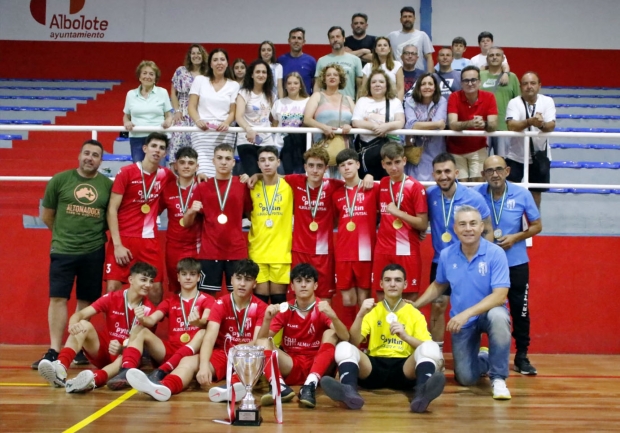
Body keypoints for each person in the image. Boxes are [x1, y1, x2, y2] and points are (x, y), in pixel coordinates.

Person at [126, 260, 266, 402]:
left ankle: (232, 388)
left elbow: (256, 341)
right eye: (239, 278)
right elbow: (210, 337)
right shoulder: (221, 304)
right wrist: (204, 366)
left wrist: (244, 349)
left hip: (246, 354)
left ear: (254, 283)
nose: (242, 284)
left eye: (247, 280)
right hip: (222, 353)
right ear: (232, 280)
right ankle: (164, 387)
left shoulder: (261, 307)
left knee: (254, 354)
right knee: (188, 361)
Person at [414, 205, 512, 400]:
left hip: (487, 314)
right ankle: (484, 359)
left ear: (481, 226)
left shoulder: (496, 253)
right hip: (463, 323)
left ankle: (499, 378)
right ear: (455, 228)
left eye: (473, 224)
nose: (468, 228)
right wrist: (415, 305)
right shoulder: (446, 255)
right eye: (463, 224)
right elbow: (439, 285)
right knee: (466, 378)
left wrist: (467, 313)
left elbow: (500, 295)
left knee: (500, 317)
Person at [31, 140, 113, 370]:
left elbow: (110, 217)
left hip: (94, 250)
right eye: (86, 153)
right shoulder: (59, 180)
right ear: (79, 156)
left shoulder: (107, 185)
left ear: (100, 160)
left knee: (86, 301)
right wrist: (63, 236)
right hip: (63, 250)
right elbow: (47, 215)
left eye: (95, 155)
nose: (90, 158)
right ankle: (54, 351)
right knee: (58, 298)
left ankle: (74, 348)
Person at [320, 264, 445, 413]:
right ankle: (348, 391)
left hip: (403, 369)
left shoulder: (414, 313)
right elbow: (353, 342)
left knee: (432, 347)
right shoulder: (372, 310)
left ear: (405, 284)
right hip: (374, 368)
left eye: (397, 280)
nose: (392, 284)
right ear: (381, 284)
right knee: (343, 347)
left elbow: (426, 346)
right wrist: (360, 314)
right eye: (388, 280)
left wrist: (405, 336)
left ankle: (423, 393)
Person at [38, 262, 156, 392]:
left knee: (125, 357)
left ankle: (93, 380)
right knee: (83, 325)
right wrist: (73, 325)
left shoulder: (149, 309)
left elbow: (139, 344)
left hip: (125, 355)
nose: (148, 285)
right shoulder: (112, 297)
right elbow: (81, 314)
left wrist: (121, 348)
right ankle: (60, 369)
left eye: (151, 281)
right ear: (131, 279)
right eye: (143, 280)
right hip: (104, 349)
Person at [475, 155, 543, 374]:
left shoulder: (522, 194)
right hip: (485, 264)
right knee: (481, 308)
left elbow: (537, 225)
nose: (494, 174)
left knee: (519, 311)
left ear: (507, 171)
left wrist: (515, 238)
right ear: (483, 174)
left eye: (498, 169)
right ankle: (478, 354)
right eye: (489, 171)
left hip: (516, 263)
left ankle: (522, 355)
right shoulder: (476, 195)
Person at [104, 258, 214, 391]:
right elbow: (151, 320)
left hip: (192, 354)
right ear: (178, 277)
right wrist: (142, 318)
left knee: (203, 332)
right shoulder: (169, 301)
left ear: (198, 277)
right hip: (169, 352)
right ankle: (127, 371)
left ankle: (162, 372)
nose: (188, 278)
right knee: (141, 329)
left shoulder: (208, 299)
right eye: (184, 274)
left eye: (192, 274)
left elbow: (206, 321)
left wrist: (197, 322)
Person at [426, 152, 493, 355]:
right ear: (433, 175)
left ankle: (478, 351)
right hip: (441, 260)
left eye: (447, 171)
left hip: (468, 260)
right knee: (437, 305)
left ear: (456, 172)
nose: (443, 176)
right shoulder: (430, 195)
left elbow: (488, 229)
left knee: (473, 307)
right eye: (438, 172)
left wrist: (481, 258)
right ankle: (435, 355)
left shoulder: (473, 198)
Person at [257, 263, 350, 408]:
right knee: (262, 343)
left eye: (308, 281)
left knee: (331, 333)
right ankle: (279, 386)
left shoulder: (322, 307)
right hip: (291, 364)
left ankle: (309, 385)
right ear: (292, 287)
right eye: (299, 281)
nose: (303, 285)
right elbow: (261, 339)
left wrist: (334, 317)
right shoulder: (285, 308)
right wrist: (267, 320)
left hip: (318, 365)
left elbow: (345, 337)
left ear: (315, 285)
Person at [105, 132, 176, 304]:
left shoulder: (166, 175)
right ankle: (115, 331)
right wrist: (117, 245)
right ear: (144, 148)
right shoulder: (126, 172)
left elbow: (183, 186)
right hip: (123, 239)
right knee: (113, 288)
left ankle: (148, 329)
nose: (157, 151)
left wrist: (200, 177)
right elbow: (112, 209)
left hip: (148, 240)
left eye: (161, 148)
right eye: (153, 146)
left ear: (165, 153)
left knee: (155, 289)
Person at [183, 143, 252, 293]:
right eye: (219, 158)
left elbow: (251, 214)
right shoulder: (202, 186)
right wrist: (190, 212)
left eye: (228, 158)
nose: (223, 162)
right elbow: (187, 223)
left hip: (236, 251)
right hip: (210, 251)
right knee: (206, 298)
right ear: (213, 161)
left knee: (238, 297)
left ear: (233, 162)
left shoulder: (242, 185)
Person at [373, 143, 428, 301]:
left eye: (397, 162)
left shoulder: (415, 187)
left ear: (404, 160)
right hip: (383, 250)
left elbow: (423, 224)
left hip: (407, 249)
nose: (394, 167)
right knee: (381, 298)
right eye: (389, 163)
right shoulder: (382, 183)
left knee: (409, 301)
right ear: (383, 164)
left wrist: (399, 213)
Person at [332, 149, 379, 309]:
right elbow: (336, 220)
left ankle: (363, 335)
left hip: (365, 251)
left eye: (350, 163)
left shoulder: (373, 188)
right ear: (338, 169)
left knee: (364, 301)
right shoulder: (336, 193)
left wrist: (370, 174)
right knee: (348, 301)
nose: (346, 168)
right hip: (344, 252)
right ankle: (350, 334)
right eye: (342, 165)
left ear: (358, 164)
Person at [247, 146, 293, 305]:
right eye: (263, 160)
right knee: (260, 299)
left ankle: (280, 332)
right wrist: (257, 176)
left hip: (281, 253)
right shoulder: (252, 187)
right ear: (258, 164)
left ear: (278, 162)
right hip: (257, 251)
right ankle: (260, 331)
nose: (267, 164)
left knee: (279, 300)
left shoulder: (289, 185)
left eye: (271, 160)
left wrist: (258, 175)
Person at [505, 72, 556, 209]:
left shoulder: (547, 101)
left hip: (540, 156)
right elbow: (511, 126)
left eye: (533, 83)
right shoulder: (514, 102)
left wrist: (540, 124)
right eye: (525, 83)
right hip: (516, 156)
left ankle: (533, 225)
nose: (529, 86)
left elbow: (551, 126)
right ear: (521, 86)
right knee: (510, 192)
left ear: (539, 86)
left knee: (536, 195)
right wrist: (530, 122)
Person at [188, 48, 239, 178]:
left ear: (227, 63)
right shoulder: (200, 80)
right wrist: (198, 120)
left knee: (223, 172)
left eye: (222, 59)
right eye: (215, 60)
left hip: (224, 133)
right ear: (210, 64)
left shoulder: (234, 85)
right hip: (202, 132)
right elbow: (191, 106)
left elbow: (233, 111)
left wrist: (227, 123)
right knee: (202, 174)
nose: (219, 63)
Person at [159, 147, 201, 293]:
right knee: (177, 290)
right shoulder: (167, 188)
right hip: (174, 247)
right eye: (182, 162)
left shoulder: (204, 187)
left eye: (190, 163)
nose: (186, 166)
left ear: (197, 166)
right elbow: (154, 212)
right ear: (175, 165)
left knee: (198, 291)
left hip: (197, 246)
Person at [447, 65, 498, 182]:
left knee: (478, 186)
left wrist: (484, 124)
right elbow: (452, 124)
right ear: (461, 83)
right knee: (461, 187)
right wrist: (471, 123)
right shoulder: (454, 97)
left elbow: (493, 125)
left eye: (473, 80)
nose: (470, 83)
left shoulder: (489, 97)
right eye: (466, 80)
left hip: (478, 149)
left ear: (479, 82)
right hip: (455, 150)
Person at [352, 69, 405, 179]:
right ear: (369, 85)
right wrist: (374, 127)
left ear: (387, 85)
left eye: (381, 82)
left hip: (388, 150)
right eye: (374, 82)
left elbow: (400, 122)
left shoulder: (395, 101)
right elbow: (356, 121)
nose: (377, 85)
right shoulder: (362, 101)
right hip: (366, 149)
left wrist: (386, 127)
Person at [304, 63, 355, 177]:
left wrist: (350, 126)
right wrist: (323, 127)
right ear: (324, 79)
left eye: (335, 75)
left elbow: (356, 120)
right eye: (328, 75)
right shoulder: (317, 96)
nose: (332, 77)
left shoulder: (348, 99)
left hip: (344, 151)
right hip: (321, 151)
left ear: (340, 79)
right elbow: (307, 119)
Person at [123, 60, 173, 163]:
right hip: (137, 137)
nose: (148, 76)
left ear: (155, 78)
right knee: (138, 171)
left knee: (159, 173)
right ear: (140, 77)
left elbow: (169, 115)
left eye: (151, 74)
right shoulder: (130, 94)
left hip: (158, 137)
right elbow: (126, 116)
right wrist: (127, 122)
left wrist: (168, 121)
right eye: (144, 73)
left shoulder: (163, 92)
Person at [403, 73, 447, 181]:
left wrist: (420, 125)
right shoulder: (410, 101)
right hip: (415, 150)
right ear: (418, 87)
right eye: (423, 84)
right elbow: (411, 125)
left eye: (430, 84)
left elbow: (440, 124)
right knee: (416, 184)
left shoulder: (441, 101)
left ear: (435, 87)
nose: (427, 87)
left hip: (436, 149)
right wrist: (435, 124)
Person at [235, 59, 276, 177]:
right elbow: (238, 116)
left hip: (266, 141)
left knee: (267, 177)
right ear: (252, 75)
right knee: (253, 176)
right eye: (257, 72)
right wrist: (249, 129)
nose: (261, 75)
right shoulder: (244, 93)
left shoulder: (271, 95)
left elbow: (273, 118)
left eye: (264, 72)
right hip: (247, 141)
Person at [169, 44, 209, 163]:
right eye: (193, 53)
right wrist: (177, 111)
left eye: (198, 53)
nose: (196, 55)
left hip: (201, 112)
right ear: (189, 56)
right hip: (183, 111)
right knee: (178, 142)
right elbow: (173, 93)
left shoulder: (208, 73)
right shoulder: (180, 71)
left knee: (199, 146)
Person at [480, 47, 520, 157]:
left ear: (503, 58)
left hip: (504, 127)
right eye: (491, 55)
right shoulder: (479, 75)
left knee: (502, 163)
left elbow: (518, 102)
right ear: (487, 59)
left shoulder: (512, 77)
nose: (494, 57)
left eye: (497, 55)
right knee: (482, 163)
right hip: (483, 127)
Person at [271, 72, 310, 174]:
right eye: (289, 83)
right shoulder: (278, 103)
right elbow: (274, 125)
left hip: (300, 147)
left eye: (295, 83)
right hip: (279, 146)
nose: (292, 86)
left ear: (300, 85)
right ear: (285, 86)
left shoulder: (308, 101)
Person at [315, 26, 363, 100]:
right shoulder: (321, 61)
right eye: (332, 37)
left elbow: (360, 87)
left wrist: (357, 105)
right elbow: (317, 86)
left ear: (344, 39)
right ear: (329, 40)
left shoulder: (355, 60)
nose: (335, 40)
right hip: (326, 103)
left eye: (338, 36)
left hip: (348, 103)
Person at [388, 7, 434, 73]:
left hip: (418, 76)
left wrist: (430, 76)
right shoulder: (392, 36)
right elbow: (387, 57)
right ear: (400, 20)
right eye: (405, 17)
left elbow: (429, 57)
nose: (407, 19)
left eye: (410, 16)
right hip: (398, 75)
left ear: (414, 19)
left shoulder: (422, 35)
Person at [278, 27, 317, 96]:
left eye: (299, 38)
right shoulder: (281, 61)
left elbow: (316, 85)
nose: (296, 41)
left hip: (306, 103)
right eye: (293, 38)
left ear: (304, 42)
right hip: (285, 103)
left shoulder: (311, 61)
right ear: (289, 41)